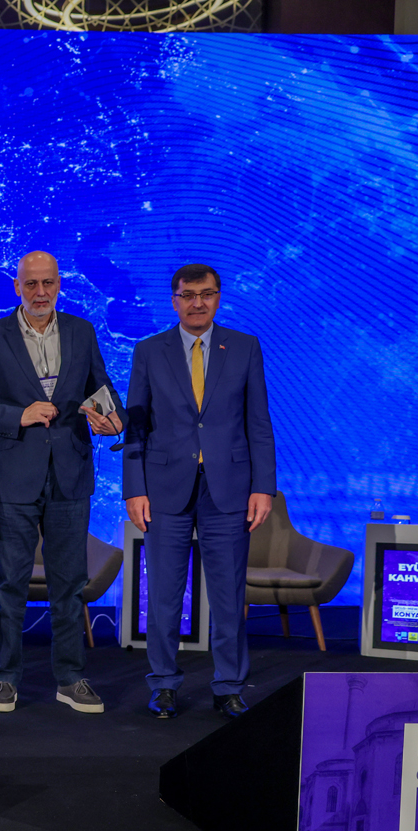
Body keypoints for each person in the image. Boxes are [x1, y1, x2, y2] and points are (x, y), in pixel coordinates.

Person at [0, 251, 126, 715]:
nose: (40, 292)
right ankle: (5, 679)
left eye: (48, 283)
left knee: (69, 584)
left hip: (70, 474)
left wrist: (113, 418)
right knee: (11, 583)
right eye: (31, 284)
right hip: (13, 476)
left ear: (59, 285)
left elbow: (102, 389)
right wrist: (19, 415)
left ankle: (70, 679)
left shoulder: (82, 331)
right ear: (17, 287)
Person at [123, 264, 275, 719]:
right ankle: (164, 684)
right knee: (164, 597)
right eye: (188, 295)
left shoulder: (245, 347)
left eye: (206, 294)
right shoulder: (149, 350)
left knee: (228, 597)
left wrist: (264, 487)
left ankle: (229, 686)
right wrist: (134, 489)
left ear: (218, 298)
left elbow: (259, 423)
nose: (197, 303)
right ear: (174, 301)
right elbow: (136, 425)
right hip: (164, 489)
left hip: (228, 489)